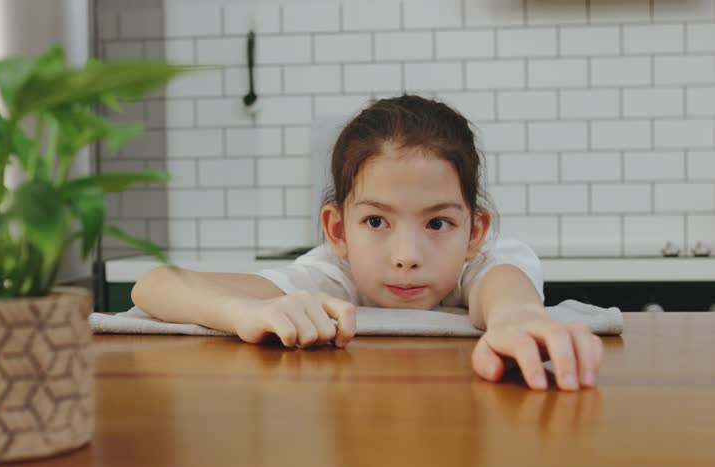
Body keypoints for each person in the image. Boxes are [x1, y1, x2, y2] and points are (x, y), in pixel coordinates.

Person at [131, 94, 603, 392]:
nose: (406, 257)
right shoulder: (330, 277)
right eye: (376, 221)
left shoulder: (485, 263)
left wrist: (515, 318)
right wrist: (245, 312)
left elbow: (504, 290)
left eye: (438, 224)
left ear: (474, 233)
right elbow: (153, 285)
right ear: (337, 231)